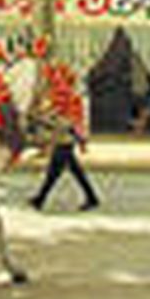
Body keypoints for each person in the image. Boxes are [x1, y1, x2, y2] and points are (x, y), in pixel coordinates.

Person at [30, 62, 100, 212]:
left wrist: (41, 117)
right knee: (66, 170)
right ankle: (91, 197)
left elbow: (59, 114)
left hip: (64, 135)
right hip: (65, 134)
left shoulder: (61, 92)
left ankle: (40, 199)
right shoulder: (64, 92)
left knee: (57, 170)